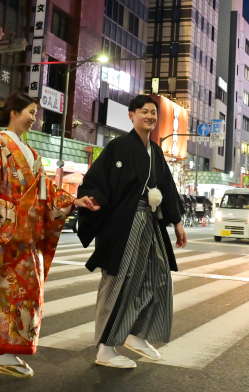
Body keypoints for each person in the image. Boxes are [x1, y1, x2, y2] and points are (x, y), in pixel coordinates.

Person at [0, 93, 99, 382]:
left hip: (24, 241)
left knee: (22, 298)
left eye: (35, 113)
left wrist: (75, 202)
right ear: (14, 112)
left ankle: (7, 352)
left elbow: (45, 193)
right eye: (31, 111)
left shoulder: (30, 153)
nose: (34, 118)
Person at [77, 95, 187, 369]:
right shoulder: (118, 147)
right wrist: (91, 200)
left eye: (153, 113)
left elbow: (168, 188)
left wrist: (177, 221)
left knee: (158, 275)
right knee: (120, 281)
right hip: (123, 224)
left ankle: (135, 333)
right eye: (144, 112)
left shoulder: (156, 151)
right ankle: (105, 347)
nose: (149, 116)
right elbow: (96, 181)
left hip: (149, 222)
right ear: (131, 115)